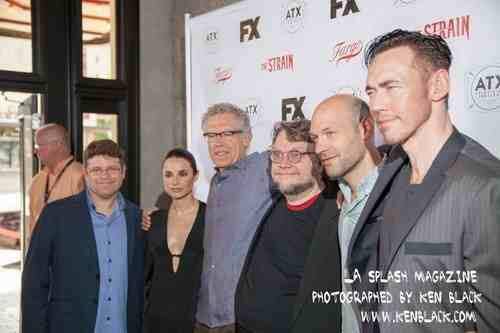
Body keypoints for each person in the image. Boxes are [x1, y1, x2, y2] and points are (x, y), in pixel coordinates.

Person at [349, 29, 500, 332]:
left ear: (438, 85)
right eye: (371, 91)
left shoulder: (485, 186)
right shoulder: (391, 169)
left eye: (391, 86)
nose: (376, 105)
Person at [143, 103, 275, 333]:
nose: (218, 142)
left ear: (247, 138)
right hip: (204, 317)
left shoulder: (265, 169)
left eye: (227, 133)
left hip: (239, 317)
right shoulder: (216, 182)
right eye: (211, 135)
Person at [21, 139, 144, 333]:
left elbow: (143, 283)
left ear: (123, 173)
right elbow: (34, 284)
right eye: (96, 170)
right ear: (85, 174)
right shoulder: (55, 215)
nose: (105, 175)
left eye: (112, 168)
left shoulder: (137, 219)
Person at [235, 120, 341, 333]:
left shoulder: (335, 214)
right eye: (276, 154)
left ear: (319, 161)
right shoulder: (273, 204)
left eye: (295, 155)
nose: (283, 163)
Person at [297, 94, 383, 333]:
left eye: (330, 133)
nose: (320, 147)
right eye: (315, 138)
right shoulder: (338, 200)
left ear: (365, 128)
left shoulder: (398, 193)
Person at [144, 148, 205, 333]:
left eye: (183, 174)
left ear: (195, 176)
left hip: (196, 319)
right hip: (156, 319)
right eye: (168, 175)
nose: (175, 181)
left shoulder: (211, 218)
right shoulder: (153, 220)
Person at [28, 123, 85, 231]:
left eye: (39, 145)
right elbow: (32, 224)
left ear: (57, 144)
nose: (35, 151)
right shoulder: (37, 180)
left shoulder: (81, 176)